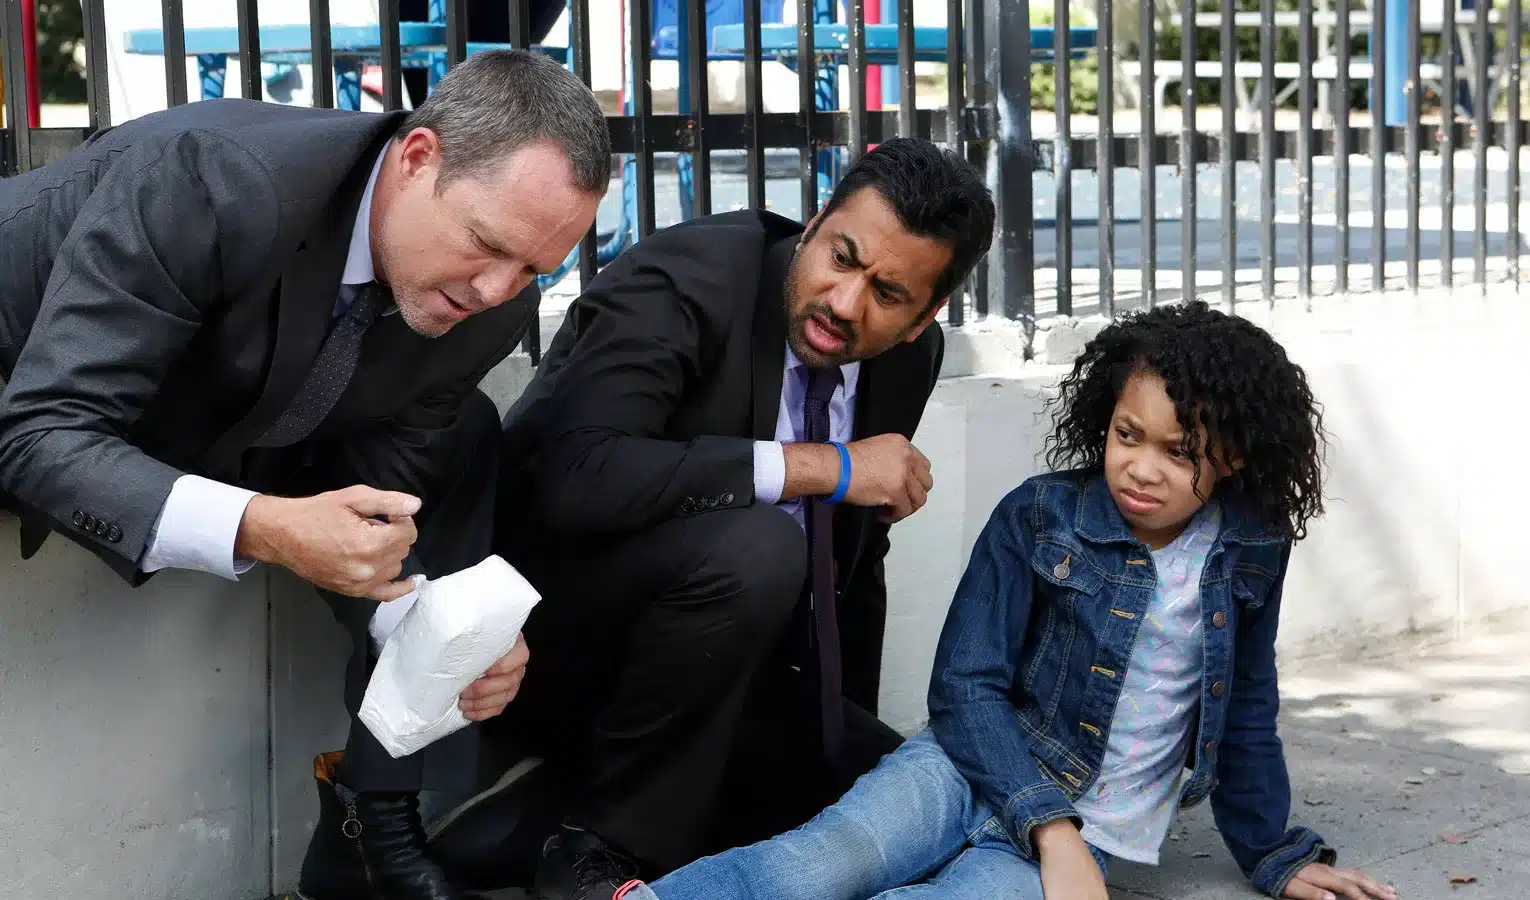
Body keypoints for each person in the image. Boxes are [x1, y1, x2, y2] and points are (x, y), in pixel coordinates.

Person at [0, 50, 610, 900]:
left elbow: (380, 495)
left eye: (535, 271)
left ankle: (373, 826)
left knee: (464, 432)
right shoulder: (210, 179)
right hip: (31, 382)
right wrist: (263, 526)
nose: (498, 290)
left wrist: (441, 634)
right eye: (486, 244)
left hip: (216, 416)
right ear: (417, 157)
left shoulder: (488, 303)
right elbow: (40, 430)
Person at [614, 302, 1401, 900]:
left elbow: (1247, 705)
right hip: (964, 769)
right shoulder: (1040, 516)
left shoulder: (1251, 550)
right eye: (1128, 435)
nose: (1142, 467)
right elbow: (964, 688)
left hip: (1093, 825)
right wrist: (1046, 824)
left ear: (1234, 458)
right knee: (821, 863)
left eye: (1180, 452)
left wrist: (1274, 856)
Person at [489, 137, 996, 900]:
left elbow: (854, 563)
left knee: (925, 809)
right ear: (814, 222)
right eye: (841, 258)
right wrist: (824, 466)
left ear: (925, 316)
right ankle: (594, 852)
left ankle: (525, 829)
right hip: (546, 649)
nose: (845, 304)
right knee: (758, 544)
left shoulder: (904, 357)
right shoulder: (683, 280)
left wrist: (836, 747)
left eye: (889, 294)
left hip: (731, 683)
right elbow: (577, 474)